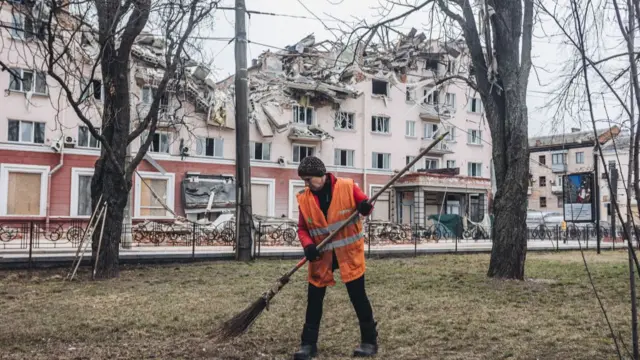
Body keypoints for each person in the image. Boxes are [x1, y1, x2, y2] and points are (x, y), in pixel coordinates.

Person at [292, 156, 378, 359]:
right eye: (304, 180)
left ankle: (369, 342)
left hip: (348, 255)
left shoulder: (347, 187)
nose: (306, 184)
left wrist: (365, 207)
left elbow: (365, 205)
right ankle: (308, 345)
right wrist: (308, 245)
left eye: (309, 179)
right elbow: (303, 228)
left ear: (321, 176)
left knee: (358, 297)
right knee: (314, 300)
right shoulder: (304, 198)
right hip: (321, 257)